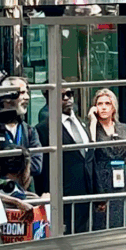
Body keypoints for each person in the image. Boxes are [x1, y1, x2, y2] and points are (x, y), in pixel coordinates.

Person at [35, 85, 94, 234]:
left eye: (69, 94)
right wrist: (45, 194)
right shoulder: (43, 128)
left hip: (87, 194)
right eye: (62, 96)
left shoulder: (82, 122)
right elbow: (44, 166)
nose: (67, 98)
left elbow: (89, 158)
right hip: (62, 196)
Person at [87, 88, 126, 229]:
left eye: (107, 103)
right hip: (100, 178)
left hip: (120, 178)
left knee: (121, 217)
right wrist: (92, 122)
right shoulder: (92, 127)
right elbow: (89, 148)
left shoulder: (123, 128)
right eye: (100, 104)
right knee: (101, 220)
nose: (104, 107)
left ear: (114, 107)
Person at [0, 77, 43, 181]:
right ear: (6, 96)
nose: (27, 97)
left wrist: (9, 163)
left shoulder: (29, 131)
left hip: (23, 192)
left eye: (27, 92)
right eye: (22, 93)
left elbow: (36, 166)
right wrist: (24, 162)